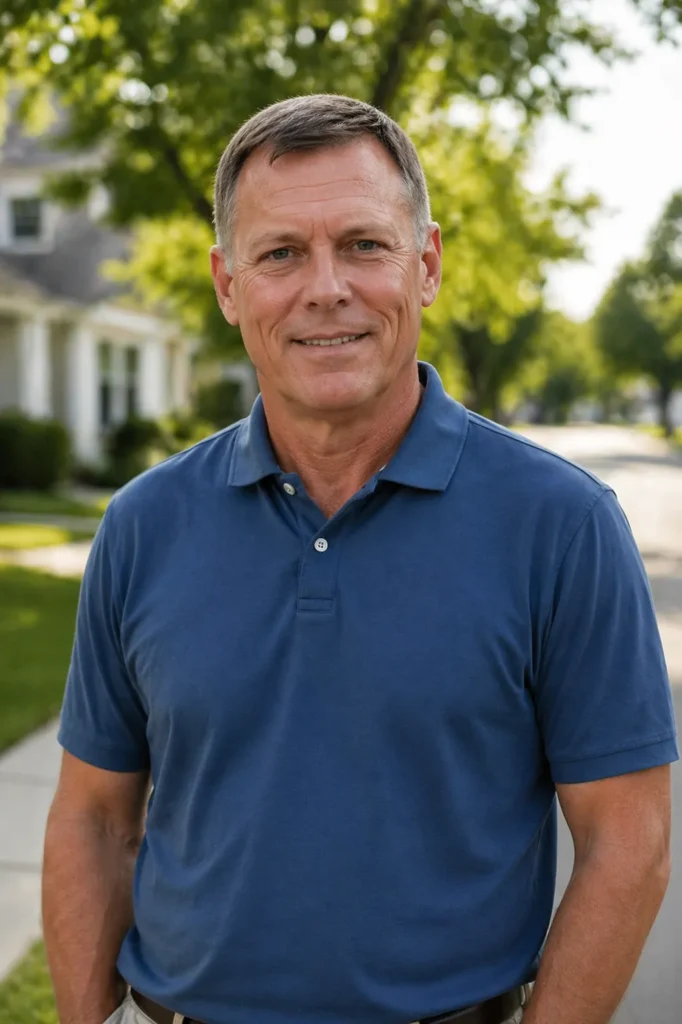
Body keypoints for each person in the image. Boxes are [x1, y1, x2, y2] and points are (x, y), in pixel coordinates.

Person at [43, 94, 678, 1024]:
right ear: (228, 285)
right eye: (281, 253)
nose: (325, 287)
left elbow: (631, 842)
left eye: (365, 245)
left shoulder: (563, 524)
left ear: (426, 265)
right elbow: (94, 816)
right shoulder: (143, 523)